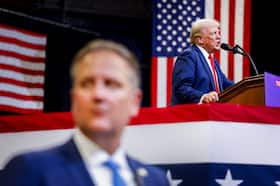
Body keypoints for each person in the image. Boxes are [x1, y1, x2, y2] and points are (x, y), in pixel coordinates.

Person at [2, 39, 170, 186]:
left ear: (135, 102)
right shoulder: (30, 170)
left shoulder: (156, 180)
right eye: (87, 83)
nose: (98, 94)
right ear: (74, 99)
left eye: (111, 84)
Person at [170, 18, 234, 105]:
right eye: (214, 33)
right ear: (200, 39)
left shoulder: (211, 60)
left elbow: (225, 84)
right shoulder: (189, 56)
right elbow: (181, 88)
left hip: (211, 114)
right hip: (191, 115)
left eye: (218, 33)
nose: (219, 37)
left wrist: (244, 88)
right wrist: (203, 97)